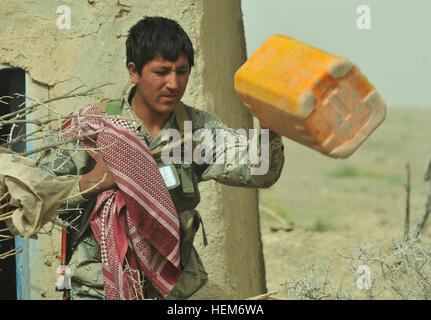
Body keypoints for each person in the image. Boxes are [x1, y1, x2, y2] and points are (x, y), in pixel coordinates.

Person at [35, 16, 285, 300]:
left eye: (182, 71)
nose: (173, 83)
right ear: (134, 71)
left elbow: (260, 171)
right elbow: (35, 195)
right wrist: (93, 181)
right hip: (97, 288)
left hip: (168, 290)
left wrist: (269, 127)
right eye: (162, 72)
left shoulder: (195, 130)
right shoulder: (94, 127)